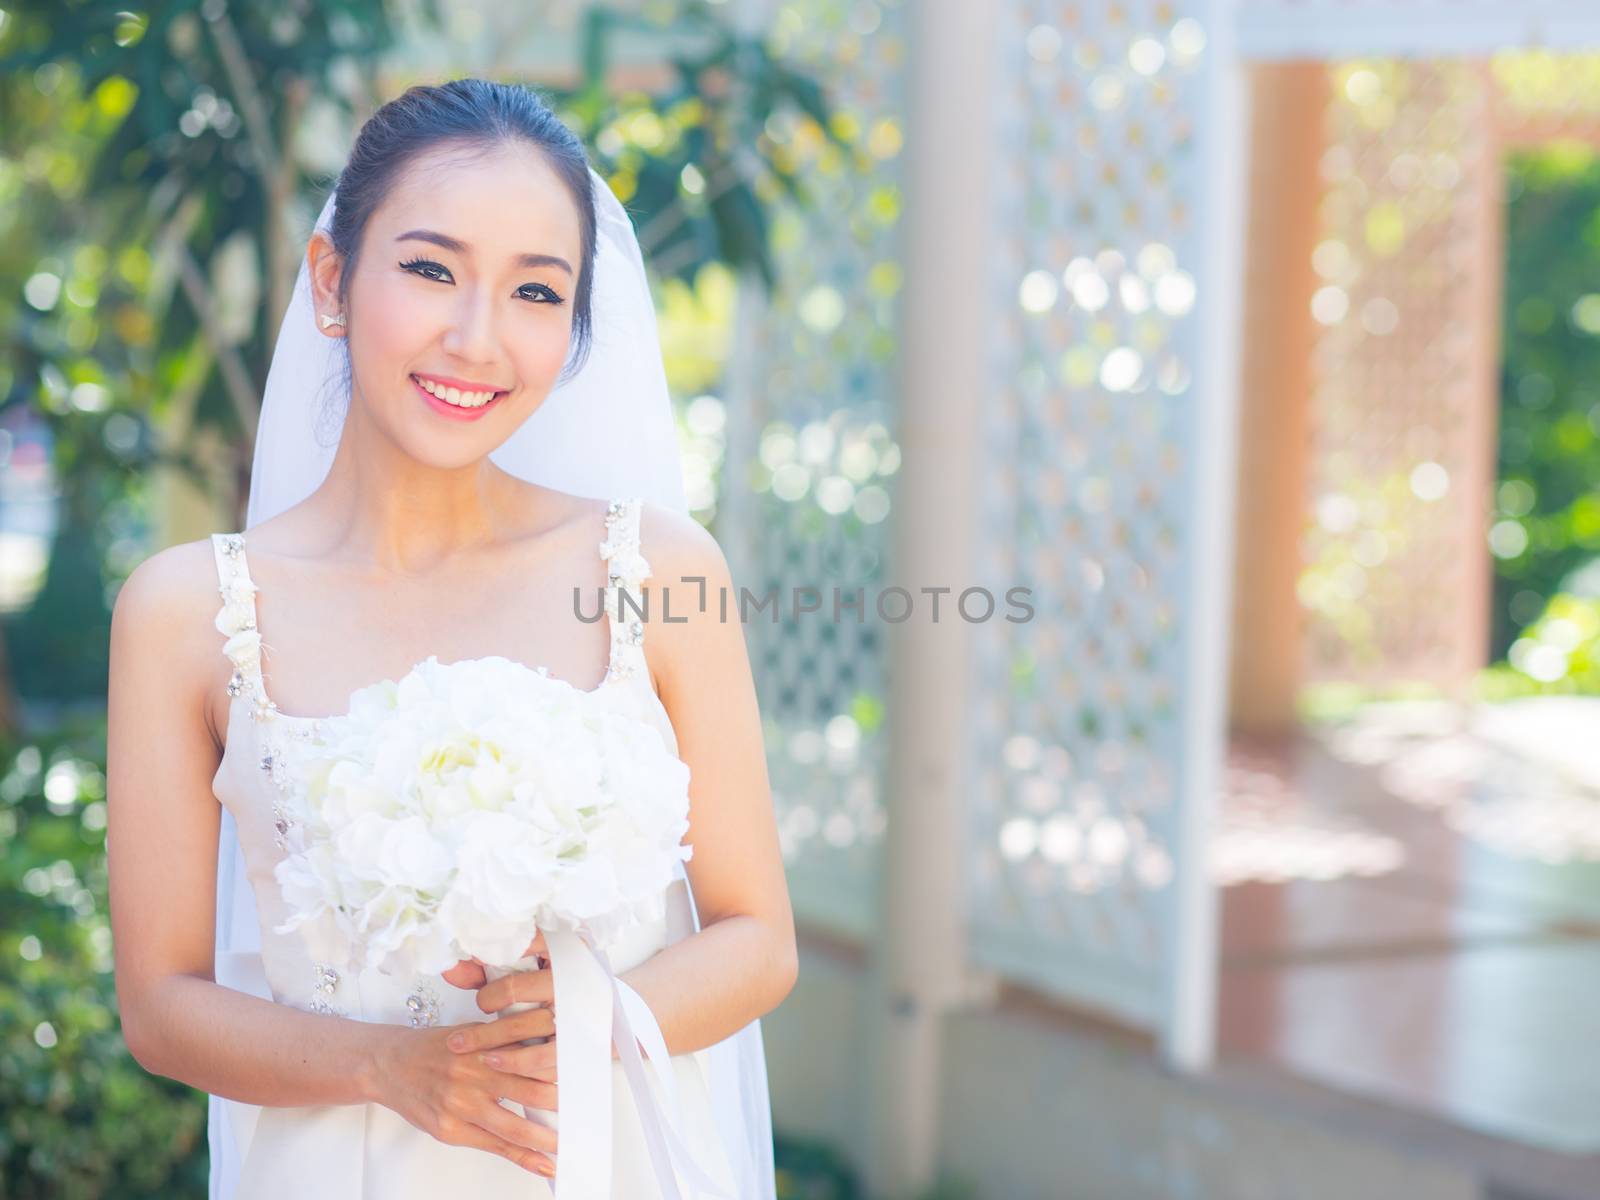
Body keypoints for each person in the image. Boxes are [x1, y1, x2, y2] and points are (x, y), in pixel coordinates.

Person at [105, 77, 793, 1199]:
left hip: (600, 1160)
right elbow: (162, 1004)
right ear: (333, 282)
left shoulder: (660, 572)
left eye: (534, 291)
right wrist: (393, 1068)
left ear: (573, 329)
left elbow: (759, 936)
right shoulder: (185, 610)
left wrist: (594, 1018)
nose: (476, 339)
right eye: (431, 270)